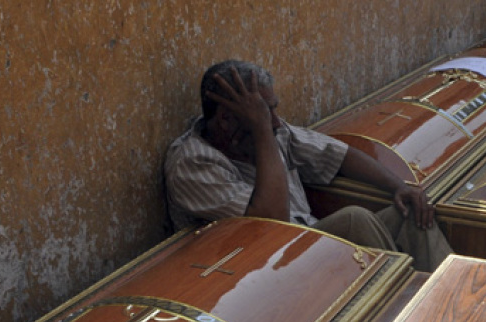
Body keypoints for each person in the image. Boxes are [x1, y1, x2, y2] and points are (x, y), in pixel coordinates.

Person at [164, 60, 452, 272]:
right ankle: (404, 304)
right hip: (261, 270)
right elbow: (271, 226)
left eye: (272, 109)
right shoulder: (192, 163)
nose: (276, 121)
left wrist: (399, 187)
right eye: (264, 112)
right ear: (226, 120)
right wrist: (262, 130)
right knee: (354, 220)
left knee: (410, 212)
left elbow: (340, 155)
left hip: (308, 243)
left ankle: (450, 298)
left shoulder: (274, 132)